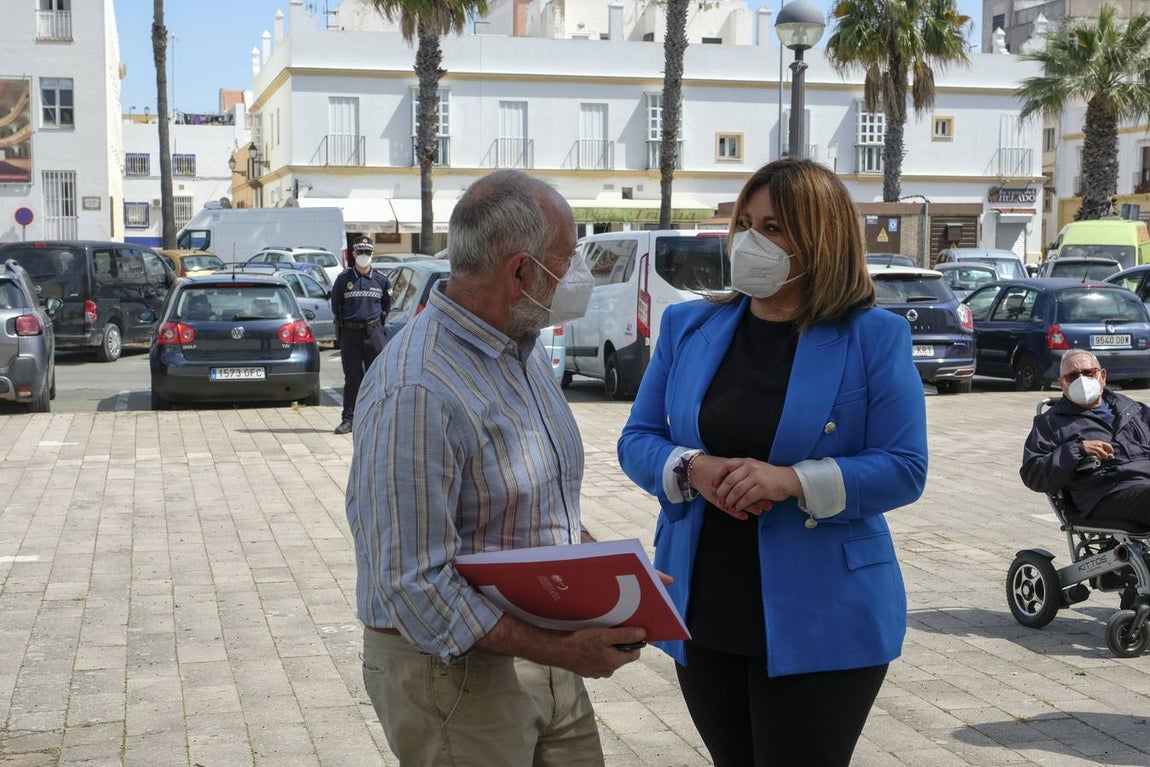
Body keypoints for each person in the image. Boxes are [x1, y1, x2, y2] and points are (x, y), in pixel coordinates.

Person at [616, 158, 928, 767]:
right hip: (706, 605)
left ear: (822, 239)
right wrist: (692, 469)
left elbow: (904, 466)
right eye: (746, 223)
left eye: (777, 227)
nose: (753, 240)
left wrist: (791, 481)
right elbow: (637, 439)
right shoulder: (688, 325)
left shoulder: (873, 336)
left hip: (826, 614)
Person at [345, 169, 643, 766]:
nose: (578, 275)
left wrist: (613, 579)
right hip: (454, 676)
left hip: (545, 657)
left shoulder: (519, 350)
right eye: (568, 259)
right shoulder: (419, 388)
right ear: (521, 273)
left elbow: (534, 508)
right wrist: (560, 649)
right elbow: (414, 583)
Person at [1021, 349, 1150, 529]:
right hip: (1105, 492)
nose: (1082, 380)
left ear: (1102, 376)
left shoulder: (1134, 410)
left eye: (1089, 373)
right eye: (1072, 376)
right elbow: (1033, 474)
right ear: (1062, 383)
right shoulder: (1050, 423)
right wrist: (1077, 450)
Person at [330, 236, 390, 435]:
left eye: (368, 252)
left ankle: (378, 419)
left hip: (373, 333)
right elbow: (335, 306)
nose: (364, 256)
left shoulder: (381, 280)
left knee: (378, 378)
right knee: (353, 378)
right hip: (350, 334)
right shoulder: (343, 280)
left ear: (372, 254)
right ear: (354, 253)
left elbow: (386, 307)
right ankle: (349, 419)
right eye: (361, 252)